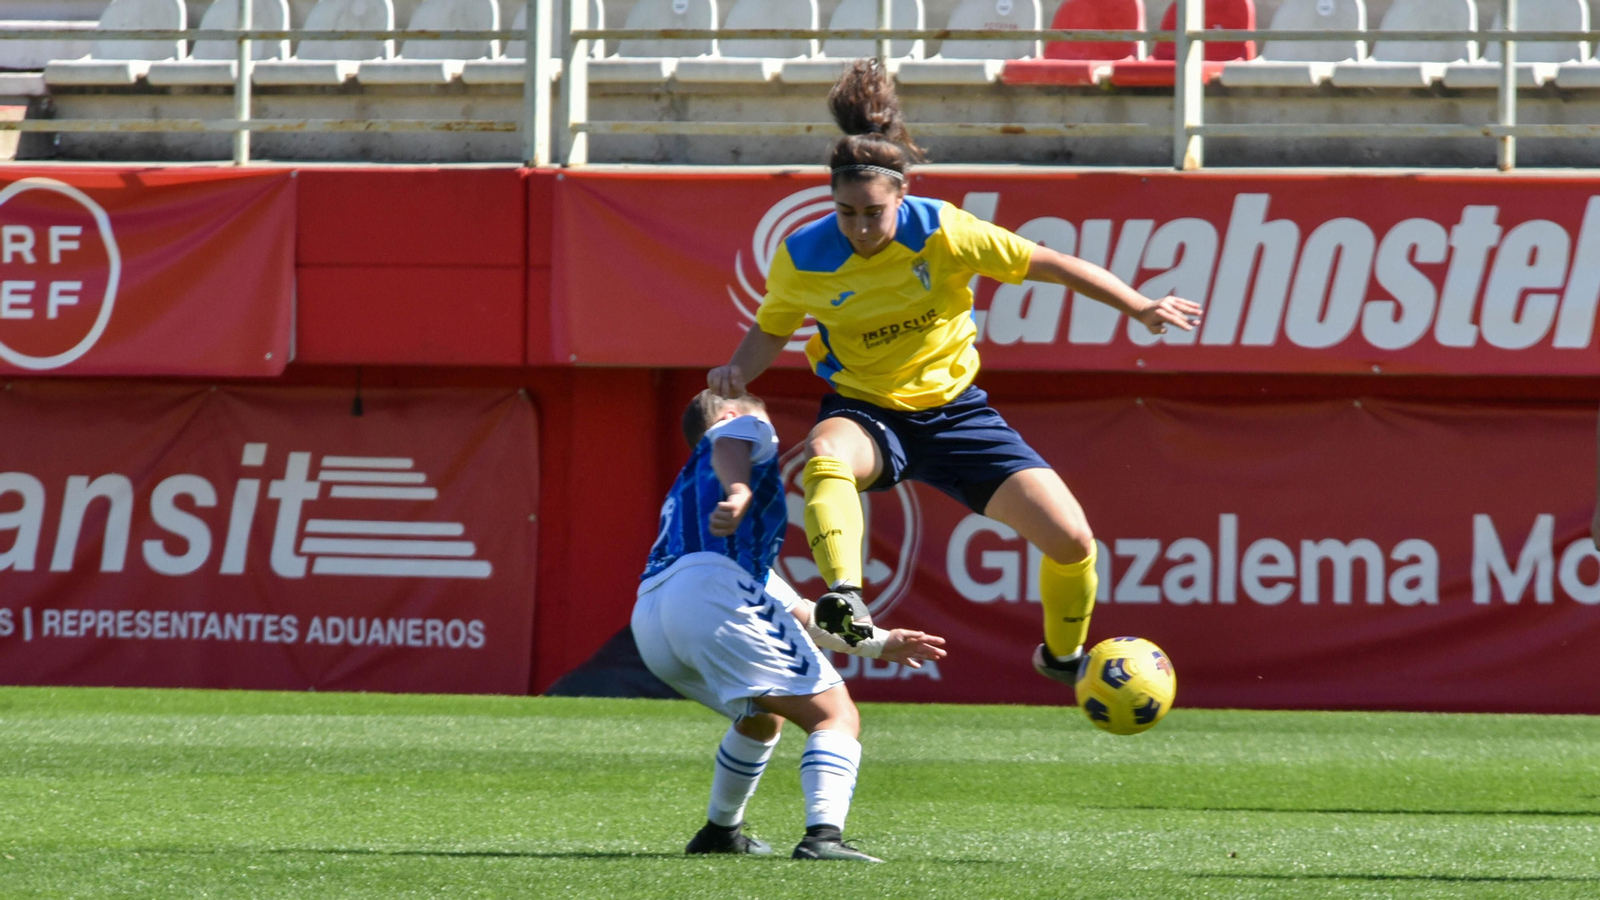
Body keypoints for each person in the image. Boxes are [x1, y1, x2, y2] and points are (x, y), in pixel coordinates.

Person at [706, 59, 1204, 685]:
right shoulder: (803, 255)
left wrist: (1139, 305)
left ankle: (1062, 657)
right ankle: (844, 596)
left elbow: (1048, 263)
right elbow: (773, 328)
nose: (860, 227)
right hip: (867, 408)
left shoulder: (947, 233)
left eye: (873, 213)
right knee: (827, 456)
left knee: (1074, 543)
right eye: (846, 212)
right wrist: (735, 372)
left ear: (902, 197)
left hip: (957, 414)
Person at [631, 388, 947, 862]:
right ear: (731, 415)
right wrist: (740, 489)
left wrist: (881, 644)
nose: (769, 426)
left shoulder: (696, 503)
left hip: (654, 616)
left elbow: (798, 611)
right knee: (834, 715)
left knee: (761, 714)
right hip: (710, 596)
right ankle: (823, 838)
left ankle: (721, 833)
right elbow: (731, 439)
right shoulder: (738, 430)